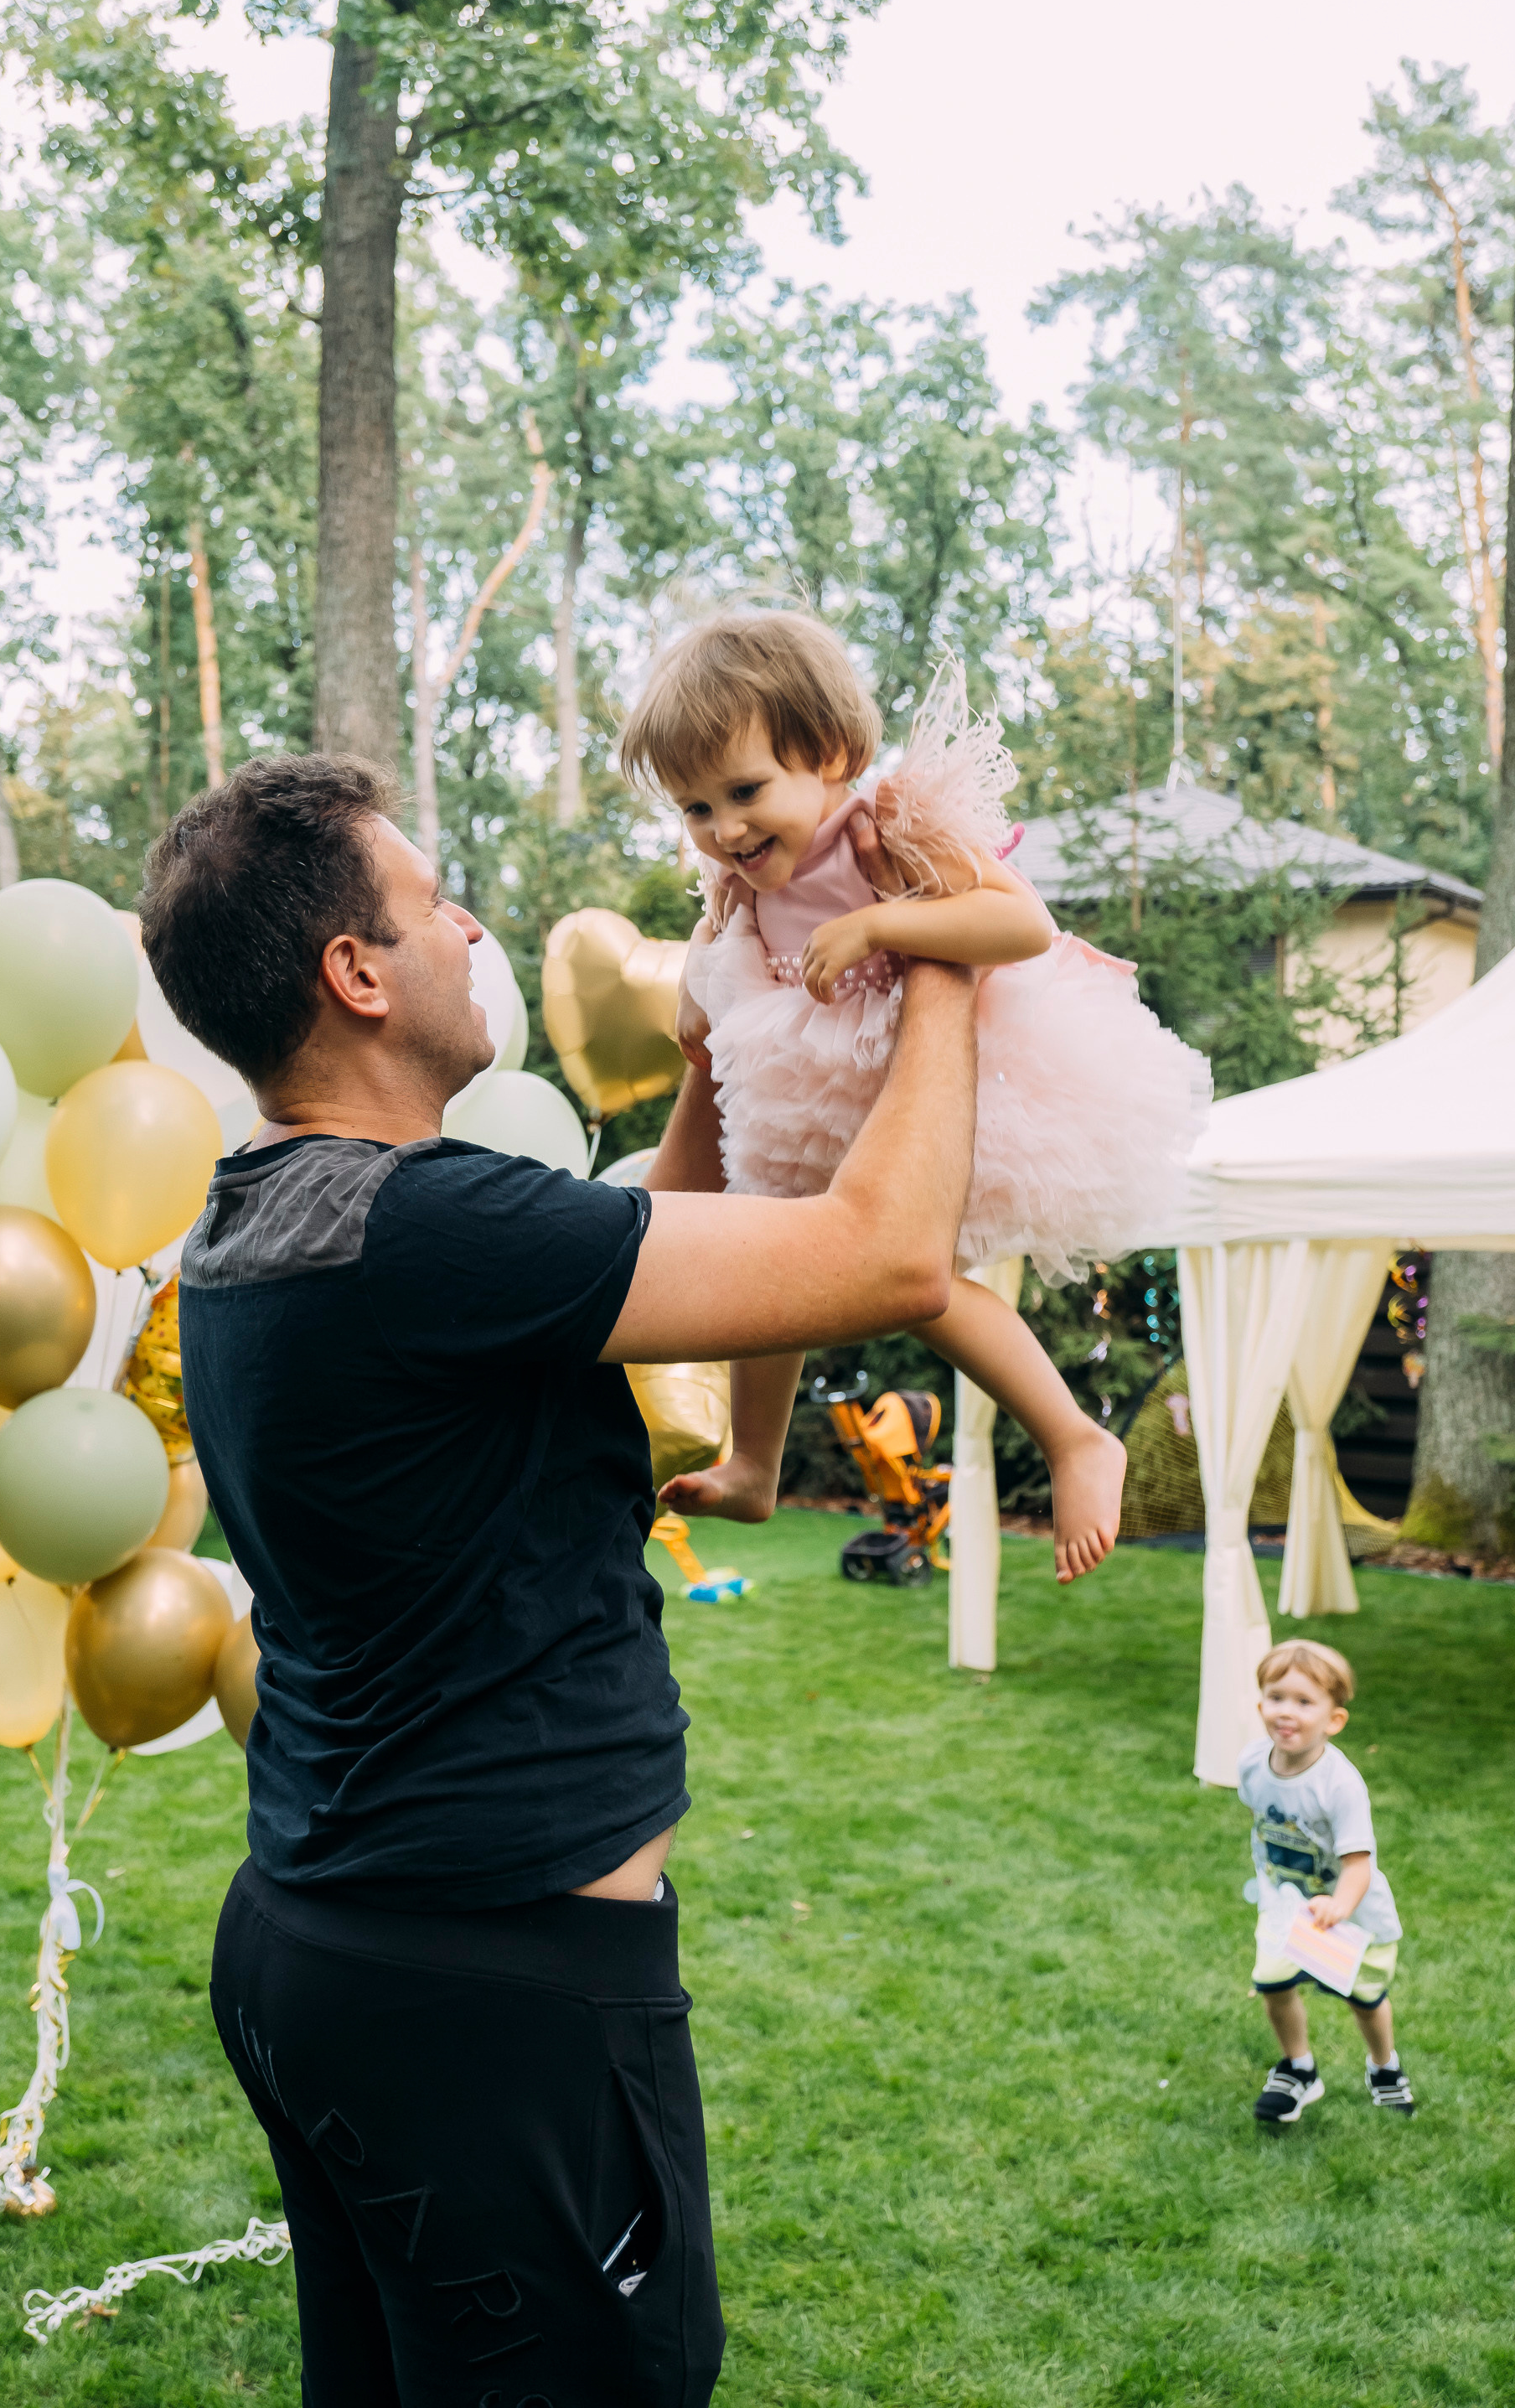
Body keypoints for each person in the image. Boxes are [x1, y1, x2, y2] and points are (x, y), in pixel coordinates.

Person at [140, 753, 982, 2408]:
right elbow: (884, 1252)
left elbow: (611, 1254)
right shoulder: (419, 1233)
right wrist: (943, 945)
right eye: (428, 900)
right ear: (358, 974)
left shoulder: (271, 1218)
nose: (470, 923)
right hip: (491, 1998)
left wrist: (705, 1071)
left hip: (330, 1948)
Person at [617, 608, 1210, 1584]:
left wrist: (878, 926)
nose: (723, 830)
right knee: (764, 1263)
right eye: (693, 808)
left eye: (743, 791)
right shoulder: (739, 871)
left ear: (832, 754)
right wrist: (693, 986)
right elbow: (717, 933)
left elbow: (1019, 923)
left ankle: (1072, 1437)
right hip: (812, 1110)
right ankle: (756, 1465)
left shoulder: (883, 824)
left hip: (917, 1099)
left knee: (923, 1288)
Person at [1238, 1639, 1415, 2125]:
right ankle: (1300, 2069)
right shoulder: (1252, 1764)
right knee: (1273, 1983)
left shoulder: (1340, 1784)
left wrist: (1337, 1906)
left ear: (1333, 1720)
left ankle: (1384, 2065)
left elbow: (1358, 1864)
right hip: (1286, 1907)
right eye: (1276, 1698)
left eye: (1304, 1701)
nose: (1286, 1712)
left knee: (1365, 1999)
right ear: (1260, 1706)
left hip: (1352, 1916)